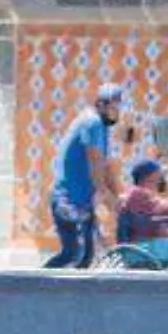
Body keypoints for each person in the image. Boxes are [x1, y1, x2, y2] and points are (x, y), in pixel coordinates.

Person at [47, 84, 124, 269]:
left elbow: (106, 165)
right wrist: (105, 194)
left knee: (87, 256)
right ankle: (36, 289)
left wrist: (118, 196)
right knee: (74, 253)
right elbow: (95, 161)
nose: (116, 112)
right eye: (113, 107)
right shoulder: (93, 122)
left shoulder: (102, 127)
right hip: (68, 199)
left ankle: (72, 298)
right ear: (101, 105)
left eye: (118, 107)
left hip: (82, 201)